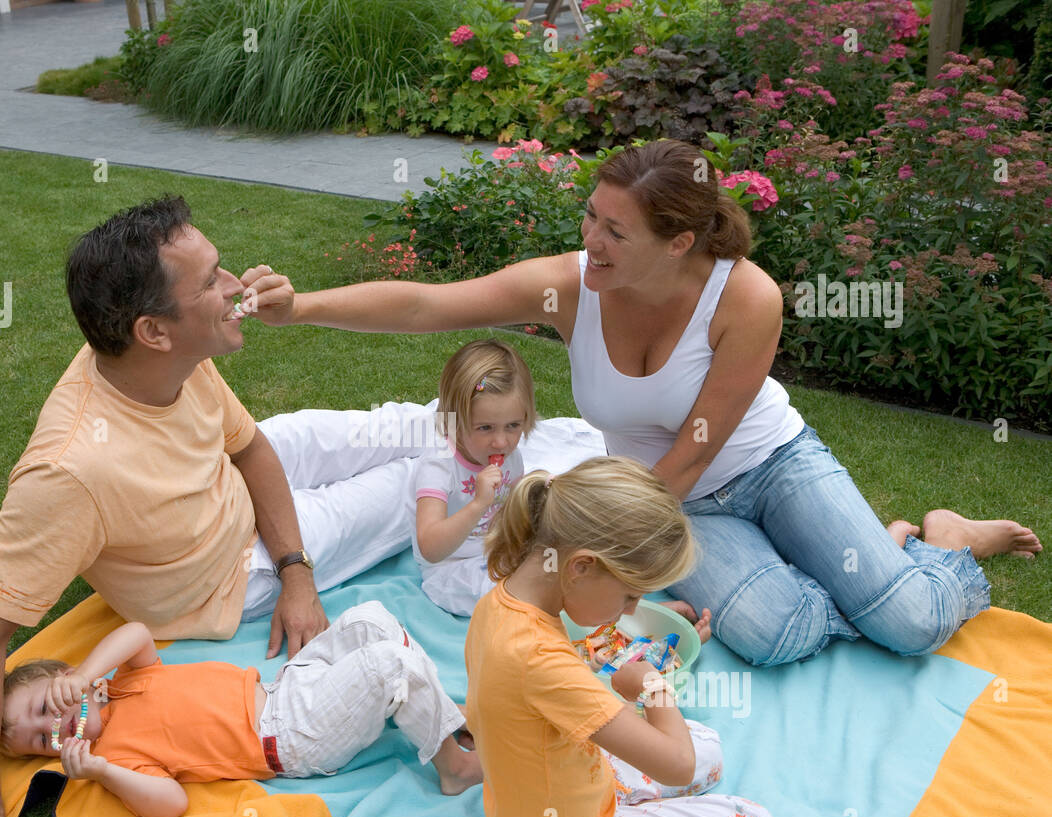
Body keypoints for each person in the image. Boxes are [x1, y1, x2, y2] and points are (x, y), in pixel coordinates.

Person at [244, 138, 1041, 670]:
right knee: (774, 636)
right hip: (680, 500)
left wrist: (612, 538)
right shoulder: (568, 287)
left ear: (679, 244)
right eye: (591, 216)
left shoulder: (747, 298)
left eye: (616, 233)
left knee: (906, 627)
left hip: (767, 466)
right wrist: (300, 305)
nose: (591, 240)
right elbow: (427, 304)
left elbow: (697, 448)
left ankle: (944, 543)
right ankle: (885, 551)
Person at [0, 195, 433, 817]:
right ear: (154, 330)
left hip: (234, 494)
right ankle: (532, 463)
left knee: (399, 425)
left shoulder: (171, 363)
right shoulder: (68, 475)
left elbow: (252, 450)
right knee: (418, 482)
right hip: (234, 569)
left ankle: (516, 428)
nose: (237, 288)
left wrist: (299, 567)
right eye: (212, 282)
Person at [466, 456, 772, 817]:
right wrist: (652, 686)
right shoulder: (541, 661)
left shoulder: (501, 602)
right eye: (630, 595)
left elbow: (531, 689)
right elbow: (678, 767)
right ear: (580, 567)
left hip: (535, 803)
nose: (631, 609)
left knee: (710, 750)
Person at [0, 602, 481, 817]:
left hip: (286, 686)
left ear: (65, 678)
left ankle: (435, 712)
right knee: (386, 665)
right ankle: (454, 767)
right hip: (289, 737)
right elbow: (171, 803)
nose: (53, 726)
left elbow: (138, 632)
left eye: (45, 706)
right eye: (43, 741)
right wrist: (101, 771)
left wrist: (85, 674)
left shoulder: (125, 680)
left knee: (369, 619)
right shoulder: (118, 755)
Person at [412, 339, 535, 616]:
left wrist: (534, 495)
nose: (501, 441)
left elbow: (512, 516)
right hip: (450, 570)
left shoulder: (510, 457)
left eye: (513, 426)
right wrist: (478, 504)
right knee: (507, 596)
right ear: (454, 420)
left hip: (497, 554)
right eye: (485, 428)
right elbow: (431, 548)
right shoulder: (439, 465)